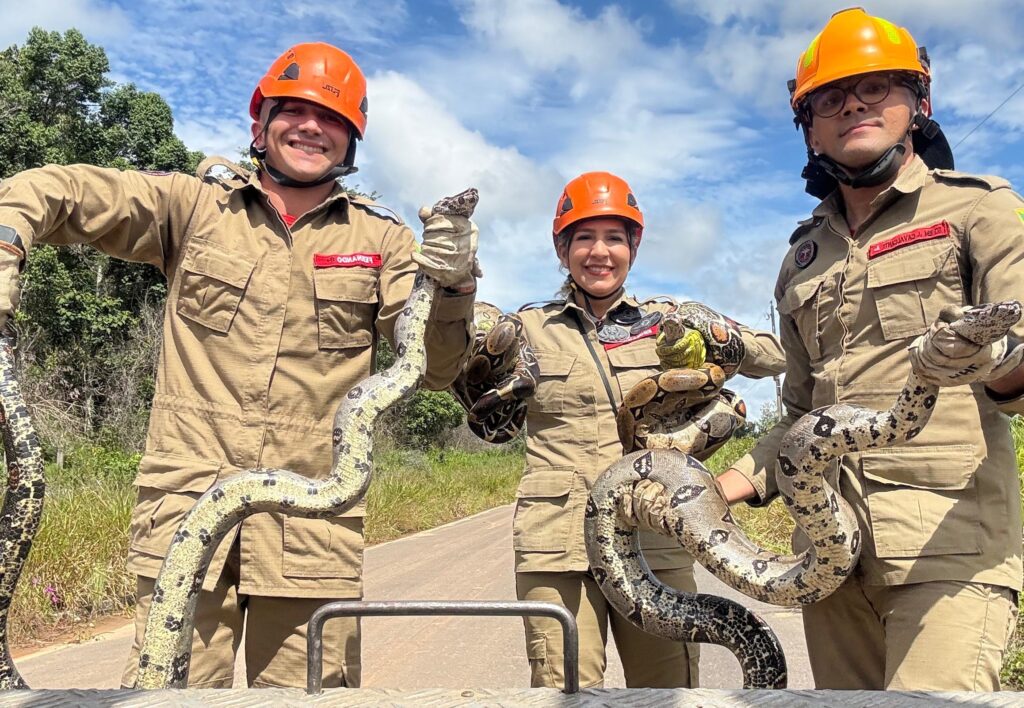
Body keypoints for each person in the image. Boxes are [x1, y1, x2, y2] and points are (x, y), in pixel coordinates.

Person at [0, 42, 479, 688]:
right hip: (183, 525)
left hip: (312, 531)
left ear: (352, 141)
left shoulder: (383, 241)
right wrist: (8, 246)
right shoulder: (193, 208)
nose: (312, 127)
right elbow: (53, 190)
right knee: (169, 700)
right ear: (260, 123)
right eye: (294, 110)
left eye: (332, 118)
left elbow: (437, 368)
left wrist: (449, 288)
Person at [714, 8, 1024, 691]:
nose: (853, 102)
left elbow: (1017, 353)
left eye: (876, 86)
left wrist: (989, 359)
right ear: (808, 126)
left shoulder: (981, 208)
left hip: (949, 546)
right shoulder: (801, 260)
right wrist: (714, 492)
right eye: (829, 97)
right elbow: (798, 413)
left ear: (919, 101)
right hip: (829, 563)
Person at [462, 171, 785, 689]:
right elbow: (454, 372)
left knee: (668, 692)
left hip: (655, 533)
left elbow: (775, 354)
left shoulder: (668, 320)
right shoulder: (526, 328)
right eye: (584, 237)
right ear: (561, 247)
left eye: (614, 238)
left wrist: (710, 332)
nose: (599, 252)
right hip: (558, 545)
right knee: (563, 688)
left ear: (633, 247)